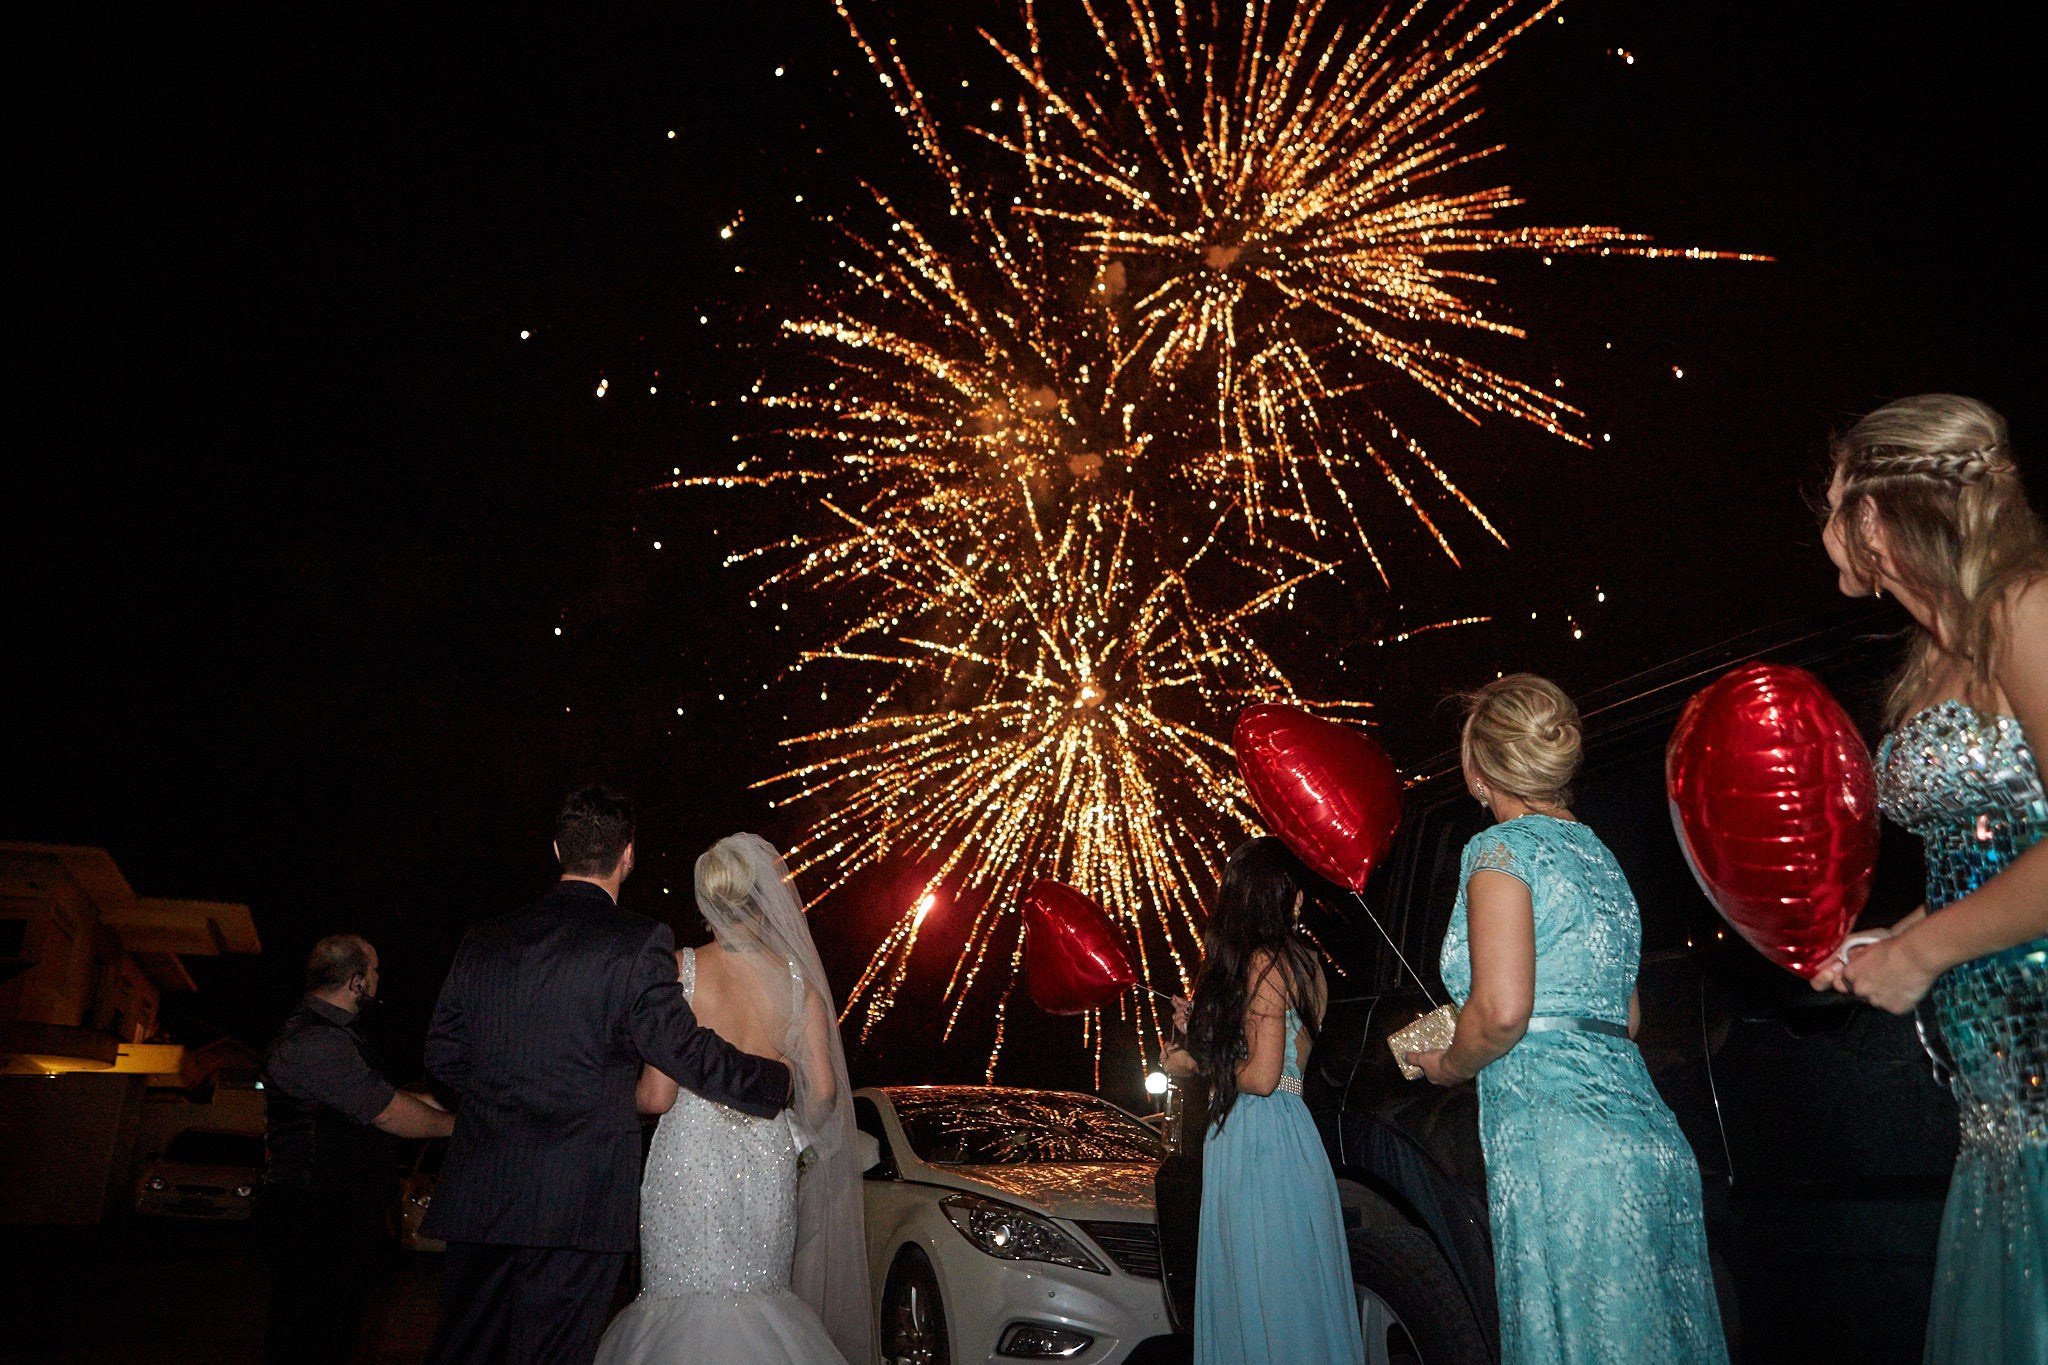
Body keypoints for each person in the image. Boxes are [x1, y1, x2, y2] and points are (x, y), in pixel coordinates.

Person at [1805, 393, 2047, 1363]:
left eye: (1827, 503)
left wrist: (1921, 955)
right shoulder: (1935, 652)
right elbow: (1999, 844)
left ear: (1870, 517)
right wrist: (1890, 939)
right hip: (2002, 1101)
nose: (1820, 528)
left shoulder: (2022, 607)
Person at [1407, 674, 1727, 1364]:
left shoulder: (1499, 851)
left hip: (1563, 1148)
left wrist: (1447, 1060)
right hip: (1649, 1139)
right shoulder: (1601, 857)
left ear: (1478, 769)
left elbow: (1501, 1011)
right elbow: (1627, 1017)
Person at [421, 788, 793, 1365]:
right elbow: (682, 1050)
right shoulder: (637, 942)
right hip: (581, 1192)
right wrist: (773, 1083)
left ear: (556, 850)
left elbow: (443, 1054)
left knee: (467, 1350)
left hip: (484, 1188)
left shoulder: (484, 939)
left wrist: (510, 1093)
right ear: (628, 856)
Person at [594, 833, 873, 1365]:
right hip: (766, 1158)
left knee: (681, 1297)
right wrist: (801, 1136)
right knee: (759, 1296)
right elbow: (826, 1092)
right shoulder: (798, 984)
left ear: (705, 901)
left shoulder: (681, 971)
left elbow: (655, 1096)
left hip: (689, 1159)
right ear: (764, 901)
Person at [1161, 836, 1364, 1365]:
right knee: (1293, 1289)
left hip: (1259, 1139)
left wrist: (1193, 1060)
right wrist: (1205, 1030)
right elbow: (1279, 1058)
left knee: (1264, 1291)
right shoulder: (1304, 964)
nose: (1303, 900)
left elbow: (1261, 1077)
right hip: (1288, 1133)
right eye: (1296, 891)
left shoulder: (1265, 962)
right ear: (1282, 897)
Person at [259, 933, 455, 1365]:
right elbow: (387, 1112)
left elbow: (391, 1096)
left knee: (336, 1331)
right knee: (314, 1336)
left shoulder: (338, 1038)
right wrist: (458, 1128)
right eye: (375, 970)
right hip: (317, 1217)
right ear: (356, 982)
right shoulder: (315, 1042)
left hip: (332, 1215)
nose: (379, 979)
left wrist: (472, 1107)